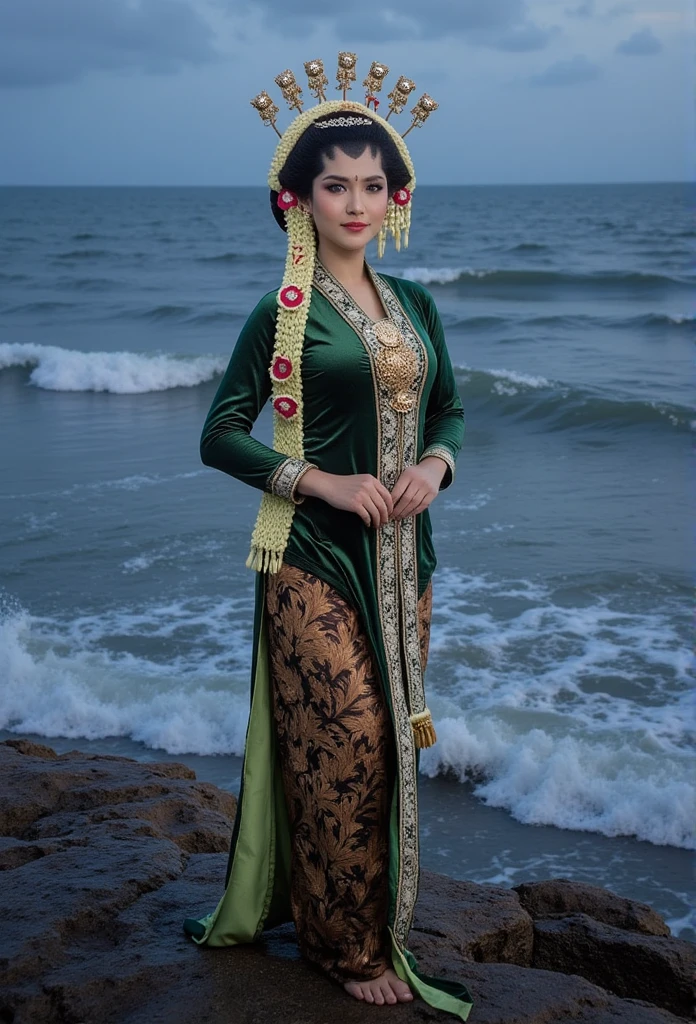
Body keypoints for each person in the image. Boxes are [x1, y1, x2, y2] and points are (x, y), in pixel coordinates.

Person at [183, 55, 474, 1021]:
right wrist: (323, 481)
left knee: (390, 745)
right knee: (338, 744)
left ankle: (357, 915)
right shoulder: (283, 313)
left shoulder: (417, 307)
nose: (355, 201)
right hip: (310, 561)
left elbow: (453, 416)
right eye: (334, 184)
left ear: (395, 197)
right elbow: (221, 432)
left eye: (372, 185)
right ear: (298, 199)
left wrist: (433, 470)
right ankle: (340, 948)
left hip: (405, 567)